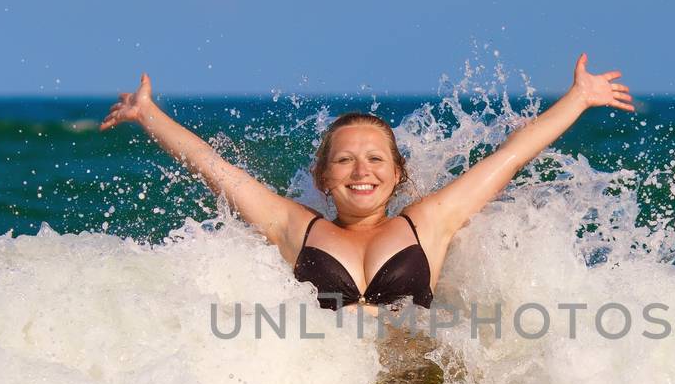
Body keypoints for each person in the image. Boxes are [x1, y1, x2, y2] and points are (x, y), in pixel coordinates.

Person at [100, 53, 633, 310]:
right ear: (323, 177)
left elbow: (509, 158)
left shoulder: (427, 223)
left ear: (397, 174)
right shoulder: (297, 227)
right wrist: (148, 114)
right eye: (346, 161)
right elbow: (217, 170)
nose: (362, 171)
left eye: (376, 160)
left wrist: (579, 98)